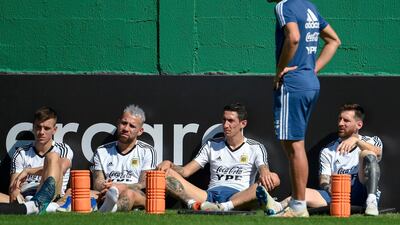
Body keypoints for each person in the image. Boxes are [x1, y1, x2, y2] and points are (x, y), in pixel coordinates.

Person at [263, 0, 341, 217]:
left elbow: (294, 37)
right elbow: (334, 41)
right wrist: (311, 69)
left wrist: (279, 69)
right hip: (308, 82)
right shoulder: (310, 6)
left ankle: (298, 205)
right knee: (293, 145)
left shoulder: (283, 6)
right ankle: (297, 203)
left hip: (293, 83)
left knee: (295, 146)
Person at [263, 103, 383, 216]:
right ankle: (277, 207)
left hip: (362, 191)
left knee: (367, 153)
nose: (340, 123)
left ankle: (371, 202)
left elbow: (378, 154)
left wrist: (357, 141)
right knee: (300, 194)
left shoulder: (372, 141)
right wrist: (331, 188)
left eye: (346, 120)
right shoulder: (328, 150)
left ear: (359, 125)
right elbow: (323, 180)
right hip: (337, 194)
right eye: (339, 119)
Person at [157, 103, 280, 211]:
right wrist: (171, 165)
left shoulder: (255, 147)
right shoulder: (212, 144)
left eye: (231, 121)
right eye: (224, 120)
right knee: (166, 174)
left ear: (243, 124)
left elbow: (264, 169)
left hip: (238, 196)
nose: (226, 125)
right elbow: (186, 172)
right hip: (208, 196)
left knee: (274, 178)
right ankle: (192, 204)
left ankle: (226, 206)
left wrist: (265, 173)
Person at [0, 106, 73, 214]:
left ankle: (39, 204)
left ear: (54, 130)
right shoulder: (21, 152)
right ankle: (34, 206)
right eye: (38, 127)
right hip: (25, 197)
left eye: (46, 128)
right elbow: (14, 184)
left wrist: (28, 171)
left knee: (52, 157)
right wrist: (15, 191)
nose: (41, 132)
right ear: (33, 127)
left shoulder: (63, 149)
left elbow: (59, 169)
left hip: (51, 195)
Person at [91, 104, 157, 213]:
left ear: (140, 131)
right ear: (118, 123)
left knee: (128, 194)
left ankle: (111, 208)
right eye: (124, 123)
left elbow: (144, 184)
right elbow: (98, 181)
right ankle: (54, 207)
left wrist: (121, 187)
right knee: (75, 193)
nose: (126, 128)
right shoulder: (101, 151)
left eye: (132, 126)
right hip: (108, 192)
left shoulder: (147, 151)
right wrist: (105, 186)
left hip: (135, 193)